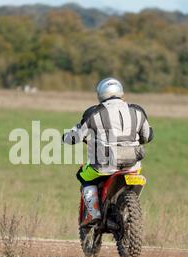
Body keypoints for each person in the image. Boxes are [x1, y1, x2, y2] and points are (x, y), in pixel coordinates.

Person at [62, 77, 154, 226]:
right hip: (133, 165)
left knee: (84, 176)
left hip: (104, 166)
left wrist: (66, 138)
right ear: (121, 93)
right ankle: (124, 211)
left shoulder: (93, 113)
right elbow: (147, 136)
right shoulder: (138, 111)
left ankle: (94, 213)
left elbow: (77, 136)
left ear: (101, 94)